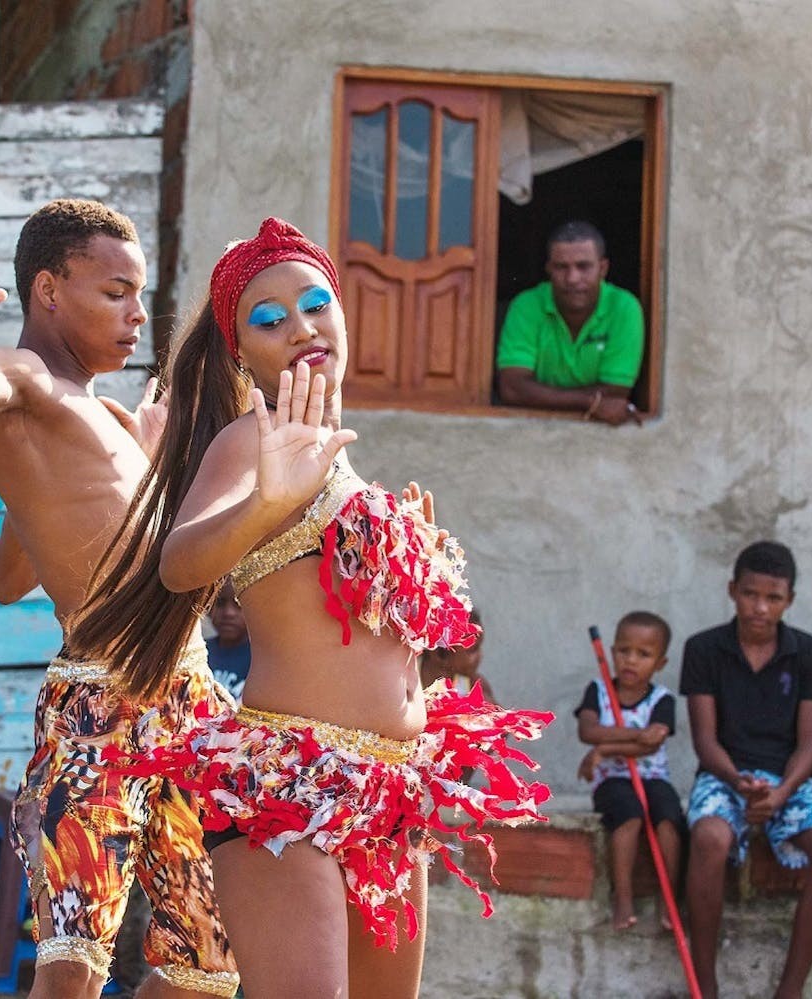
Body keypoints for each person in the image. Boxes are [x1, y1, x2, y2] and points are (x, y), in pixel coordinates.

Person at [68, 217, 554, 998]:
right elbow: (180, 562)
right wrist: (265, 502)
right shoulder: (252, 443)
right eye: (269, 318)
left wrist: (418, 573)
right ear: (241, 351)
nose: (300, 327)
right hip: (286, 784)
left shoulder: (352, 469)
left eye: (315, 303)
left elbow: (379, 648)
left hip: (389, 790)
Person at [0, 200, 237, 999]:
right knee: (75, 970)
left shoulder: (107, 413)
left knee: (206, 968)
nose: (137, 314)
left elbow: (11, 575)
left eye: (140, 295)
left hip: (187, 700)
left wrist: (128, 476)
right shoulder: (22, 376)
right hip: (100, 708)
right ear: (48, 290)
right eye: (115, 291)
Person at [679, 541, 812, 999]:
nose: (760, 607)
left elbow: (811, 742)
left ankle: (790, 989)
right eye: (750, 594)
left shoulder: (810, 653)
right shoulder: (703, 648)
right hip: (723, 774)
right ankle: (706, 984)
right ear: (732, 590)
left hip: (790, 779)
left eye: (773, 598)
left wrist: (781, 792)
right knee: (710, 838)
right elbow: (704, 740)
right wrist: (737, 781)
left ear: (789, 600)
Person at [575, 610, 684, 932]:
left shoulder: (663, 700)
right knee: (629, 814)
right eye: (624, 651)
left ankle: (669, 897)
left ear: (660, 663)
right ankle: (623, 896)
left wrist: (605, 749)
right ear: (611, 653)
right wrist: (638, 734)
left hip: (653, 777)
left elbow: (651, 747)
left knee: (668, 817)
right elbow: (588, 731)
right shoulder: (598, 690)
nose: (631, 661)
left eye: (643, 654)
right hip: (612, 779)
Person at [495, 220, 644, 425]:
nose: (572, 278)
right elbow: (512, 388)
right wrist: (590, 401)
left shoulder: (624, 308)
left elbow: (616, 391)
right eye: (561, 267)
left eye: (583, 267)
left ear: (603, 268)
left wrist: (537, 393)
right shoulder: (526, 305)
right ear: (548, 269)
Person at [419, 607, 495, 702]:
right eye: (473, 650)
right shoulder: (408, 684)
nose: (480, 655)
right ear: (438, 655)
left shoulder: (473, 688)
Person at [205, 582, 250, 700]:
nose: (228, 613)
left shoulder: (261, 659)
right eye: (220, 603)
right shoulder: (199, 652)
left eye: (239, 604)